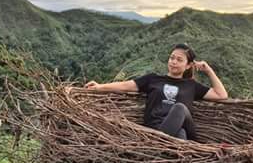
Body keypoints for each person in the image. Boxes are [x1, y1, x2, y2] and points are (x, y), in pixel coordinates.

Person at [84, 43, 228, 140]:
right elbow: (126, 85)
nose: (173, 62)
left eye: (179, 60)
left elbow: (222, 95)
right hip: (155, 129)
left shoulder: (191, 85)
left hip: (166, 134)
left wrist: (208, 70)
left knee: (179, 109)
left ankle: (160, 142)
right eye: (172, 58)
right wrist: (100, 86)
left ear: (188, 65)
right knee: (180, 134)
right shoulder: (153, 79)